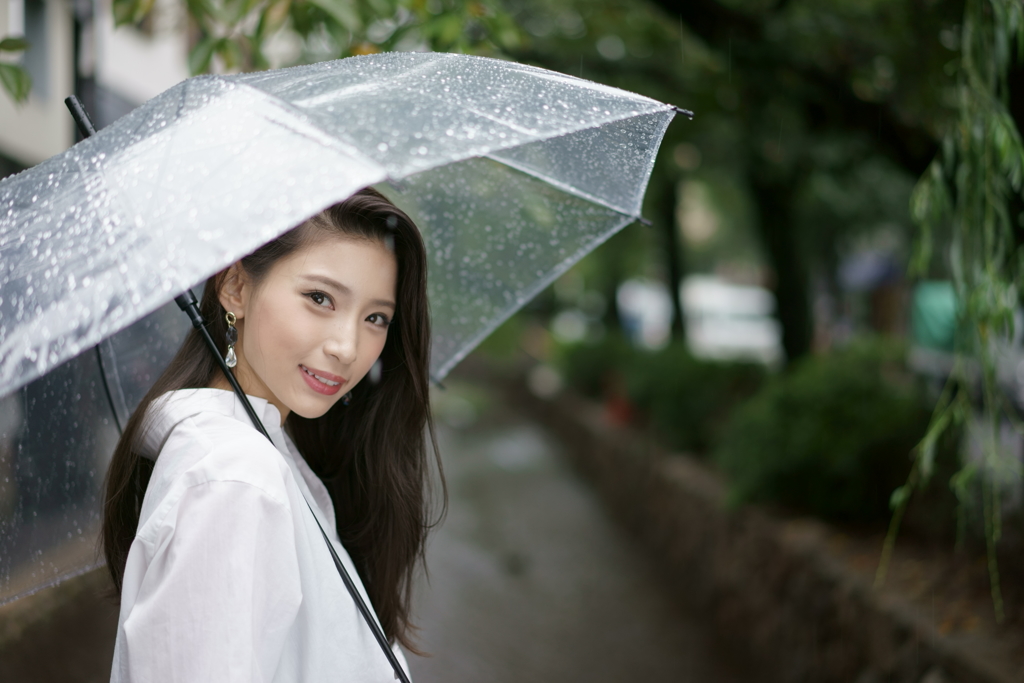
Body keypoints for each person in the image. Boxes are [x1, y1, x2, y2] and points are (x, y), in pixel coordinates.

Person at [101, 187, 442, 682]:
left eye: (376, 318)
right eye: (319, 298)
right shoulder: (235, 478)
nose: (348, 348)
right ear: (235, 287)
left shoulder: (265, 456)